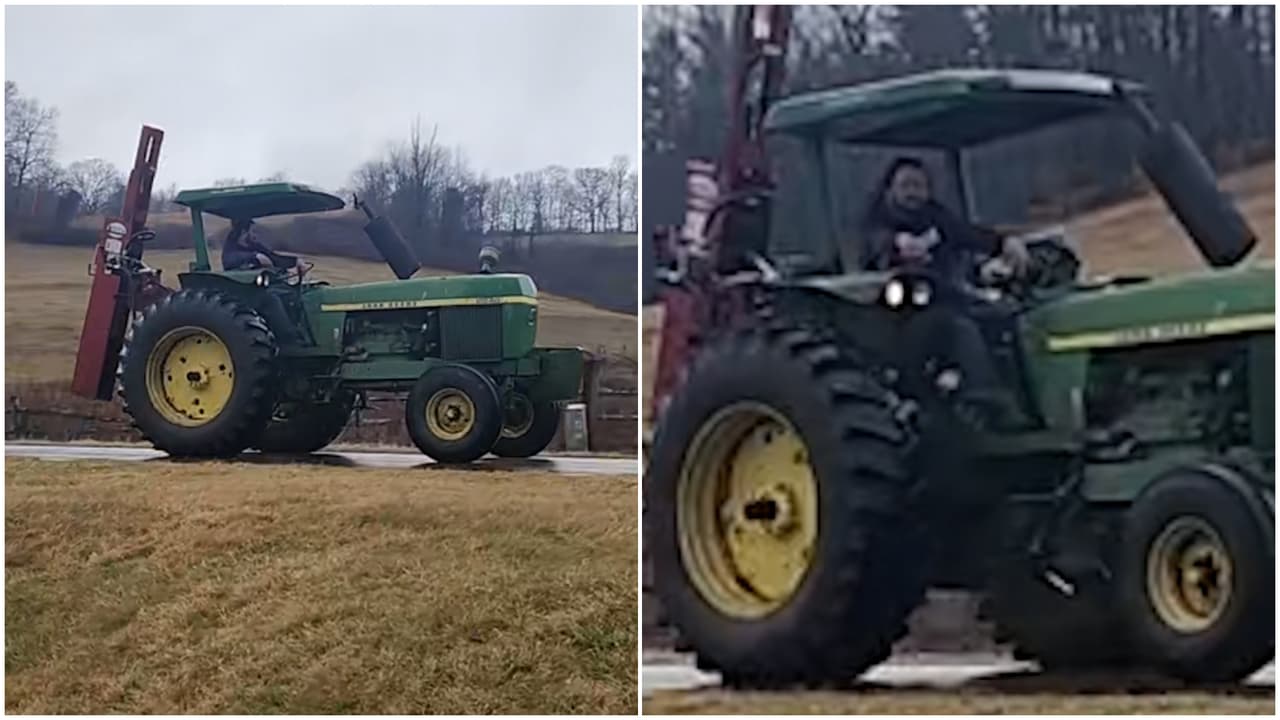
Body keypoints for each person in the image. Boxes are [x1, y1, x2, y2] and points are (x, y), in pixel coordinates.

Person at [860, 156, 1029, 427]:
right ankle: (990, 402)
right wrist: (895, 246)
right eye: (906, 185)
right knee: (961, 328)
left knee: (1010, 315)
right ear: (889, 189)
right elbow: (878, 247)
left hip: (948, 298)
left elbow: (966, 233)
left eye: (920, 186)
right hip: (899, 319)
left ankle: (1027, 399)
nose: (914, 193)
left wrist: (1003, 243)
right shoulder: (877, 224)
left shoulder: (935, 217)